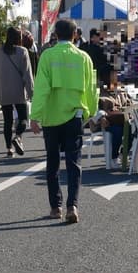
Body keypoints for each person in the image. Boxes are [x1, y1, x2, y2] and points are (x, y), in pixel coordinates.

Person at [29, 19, 98, 224]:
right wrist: (90, 112)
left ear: (55, 35)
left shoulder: (48, 56)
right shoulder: (83, 57)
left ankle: (55, 207)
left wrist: (35, 116)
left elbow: (41, 88)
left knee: (52, 163)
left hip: (51, 117)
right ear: (75, 34)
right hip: (75, 115)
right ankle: (72, 206)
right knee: (73, 162)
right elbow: (91, 87)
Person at [0, 27, 35, 158]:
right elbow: (28, 75)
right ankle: (17, 137)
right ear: (19, 38)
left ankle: (9, 149)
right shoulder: (22, 51)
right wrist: (32, 92)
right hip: (18, 91)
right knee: (23, 118)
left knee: (7, 121)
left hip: (3, 91)